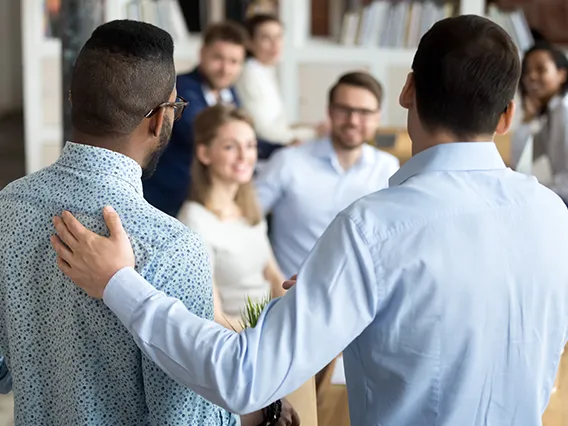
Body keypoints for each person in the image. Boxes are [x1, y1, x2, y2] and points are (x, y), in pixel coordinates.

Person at [51, 15, 568, 425]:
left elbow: (243, 377)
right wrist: (357, 310)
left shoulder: (375, 228)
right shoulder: (553, 216)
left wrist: (119, 282)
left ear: (407, 89)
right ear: (506, 117)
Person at [0, 20, 296, 425]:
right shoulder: (171, 246)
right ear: (159, 120)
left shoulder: (9, 205)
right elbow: (187, 420)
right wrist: (266, 411)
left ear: (73, 99)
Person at [255, 71, 399, 278]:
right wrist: (272, 277)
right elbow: (245, 220)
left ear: (378, 117)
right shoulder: (288, 161)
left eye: (364, 112)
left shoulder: (388, 169)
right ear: (330, 111)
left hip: (364, 298)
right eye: (345, 110)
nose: (353, 120)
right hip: (292, 295)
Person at [143, 21, 280, 218]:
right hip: (169, 202)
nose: (225, 69)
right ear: (202, 53)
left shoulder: (229, 93)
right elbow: (212, 135)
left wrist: (283, 147)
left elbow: (238, 134)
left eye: (234, 62)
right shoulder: (180, 89)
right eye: (218, 58)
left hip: (206, 200)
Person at [177, 104, 285, 330]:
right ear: (204, 153)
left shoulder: (249, 208)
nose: (244, 156)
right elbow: (214, 317)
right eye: (230, 147)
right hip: (239, 343)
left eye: (250, 145)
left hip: (270, 329)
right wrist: (270, 336)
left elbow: (274, 277)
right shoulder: (195, 222)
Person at [236, 14, 327, 146]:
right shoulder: (250, 74)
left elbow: (279, 125)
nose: (275, 44)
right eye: (266, 38)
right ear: (249, 42)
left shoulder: (265, 69)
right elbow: (264, 132)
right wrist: (314, 133)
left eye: (278, 37)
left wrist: (313, 130)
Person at [513, 41, 568, 202]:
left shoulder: (564, 109)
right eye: (527, 72)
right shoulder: (551, 114)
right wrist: (528, 117)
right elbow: (520, 160)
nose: (532, 77)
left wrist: (537, 191)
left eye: (541, 69)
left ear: (561, 75)